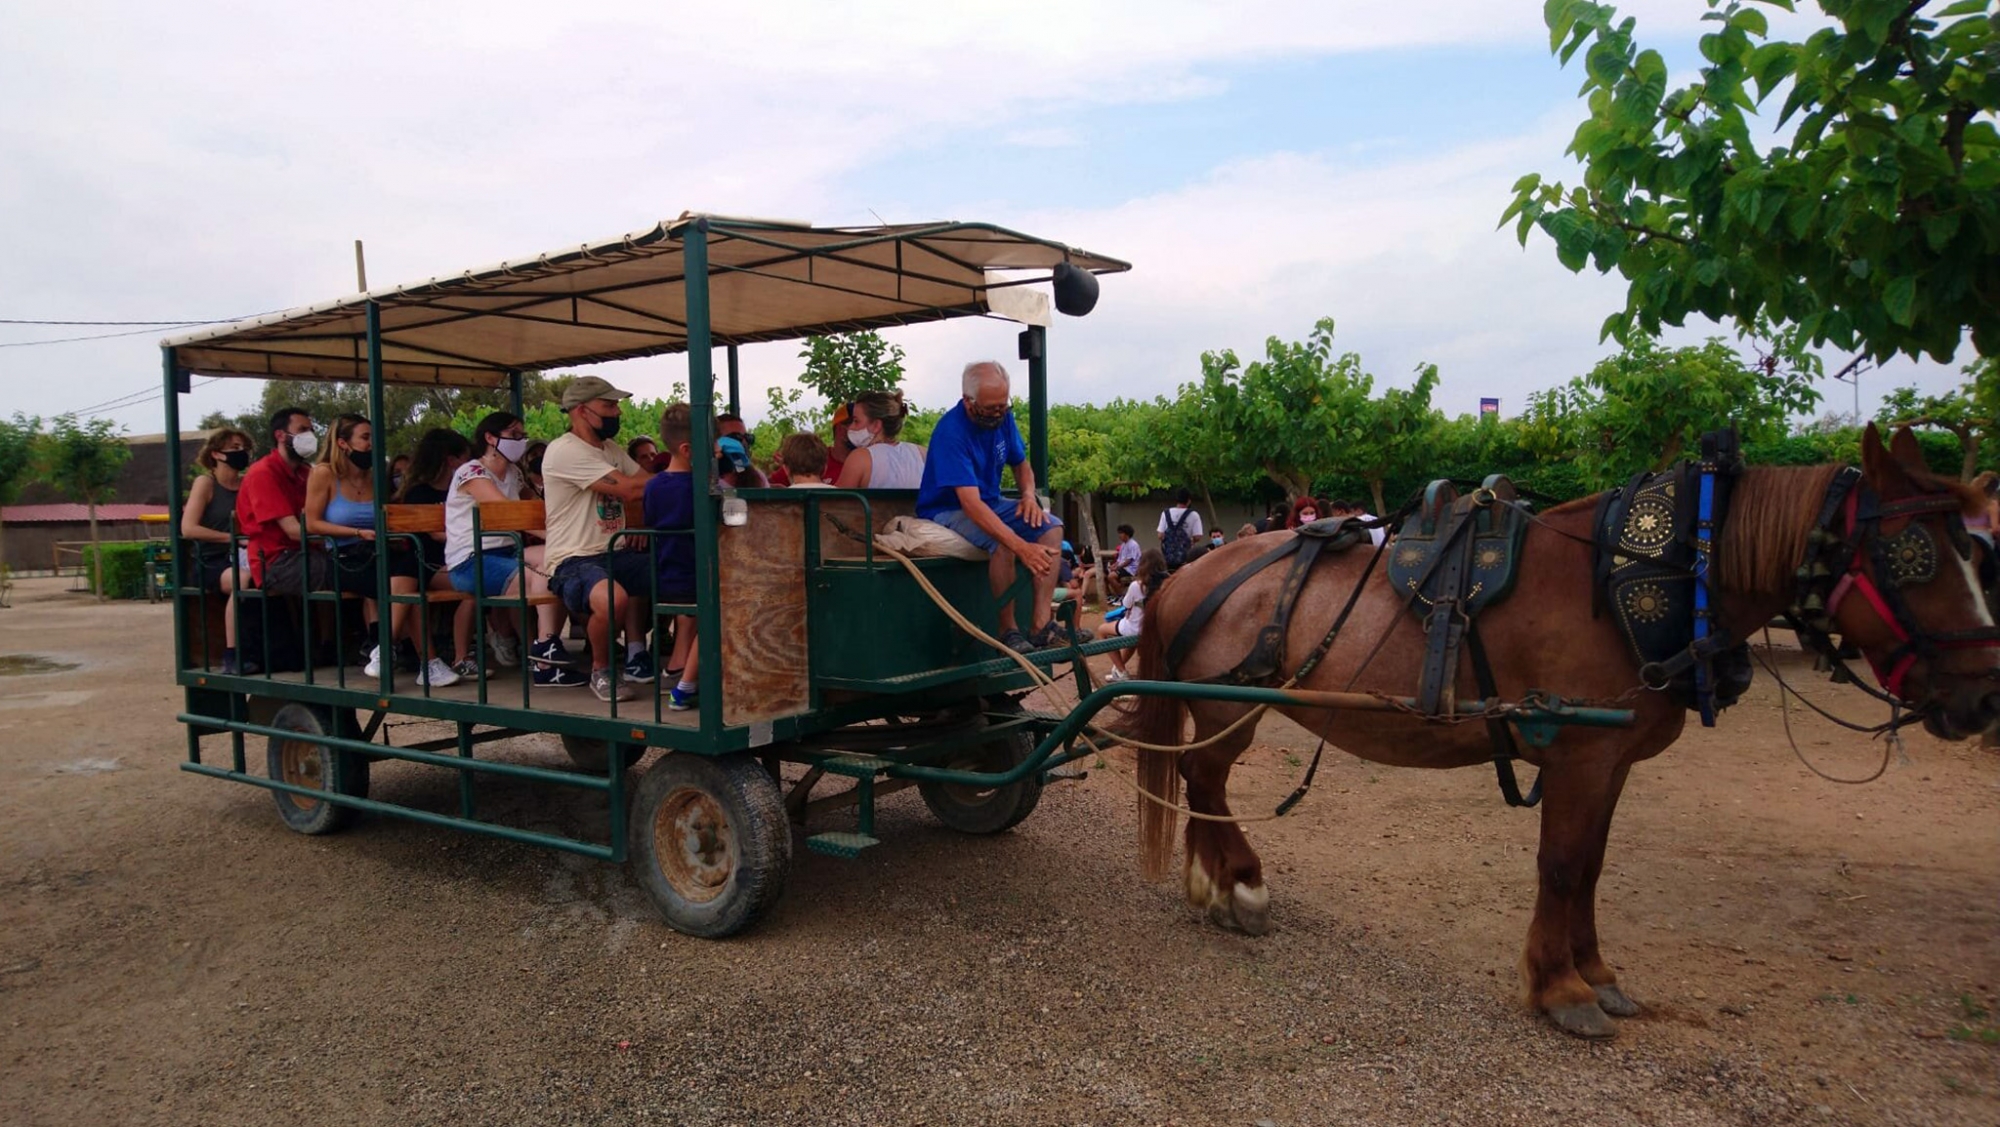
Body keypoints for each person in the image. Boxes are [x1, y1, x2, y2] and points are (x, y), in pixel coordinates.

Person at [915, 360, 1064, 652]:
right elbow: (970, 504)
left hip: (991, 502)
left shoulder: (1003, 419)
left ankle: (1041, 624)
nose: (998, 413)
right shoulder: (951, 432)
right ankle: (1007, 629)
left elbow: (1022, 465)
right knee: (1003, 543)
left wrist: (1029, 496)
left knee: (1052, 527)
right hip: (947, 509)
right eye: (990, 408)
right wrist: (1021, 546)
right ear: (968, 402)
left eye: (1003, 406)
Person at [301, 414, 455, 686]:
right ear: (343, 443)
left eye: (373, 437)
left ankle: (387, 649)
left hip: (380, 550)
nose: (372, 444)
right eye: (365, 438)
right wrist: (356, 532)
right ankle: (427, 663)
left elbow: (387, 515)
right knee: (406, 585)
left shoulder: (376, 474)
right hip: (344, 556)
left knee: (408, 574)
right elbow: (312, 522)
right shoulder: (323, 473)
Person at [540, 376, 657, 702]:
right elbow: (633, 489)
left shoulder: (611, 449)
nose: (617, 412)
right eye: (609, 405)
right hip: (573, 558)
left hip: (614, 551)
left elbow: (645, 482)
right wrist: (682, 471)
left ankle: (684, 666)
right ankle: (601, 670)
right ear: (581, 411)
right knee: (612, 600)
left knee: (689, 573)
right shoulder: (564, 451)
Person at [447, 412, 578, 686]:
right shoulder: (471, 472)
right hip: (472, 560)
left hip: (508, 553)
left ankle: (544, 648)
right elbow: (509, 514)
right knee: (545, 574)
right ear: (490, 438)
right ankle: (545, 659)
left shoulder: (514, 473)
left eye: (522, 435)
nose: (521, 440)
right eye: (514, 435)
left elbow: (536, 507)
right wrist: (556, 534)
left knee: (562, 560)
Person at [395, 428, 479, 673]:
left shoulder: (464, 489)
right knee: (475, 585)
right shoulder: (418, 493)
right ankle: (460, 658)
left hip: (461, 555)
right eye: (466, 458)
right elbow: (434, 533)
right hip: (430, 563)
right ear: (451, 460)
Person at [644, 403, 705, 712]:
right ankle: (684, 688)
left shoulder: (653, 486)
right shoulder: (701, 487)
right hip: (694, 577)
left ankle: (681, 669)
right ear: (688, 449)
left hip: (668, 575)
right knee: (725, 614)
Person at [181, 427, 254, 673]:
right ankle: (232, 654)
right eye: (234, 448)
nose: (241, 452)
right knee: (242, 579)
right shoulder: (206, 483)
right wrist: (232, 539)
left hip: (246, 555)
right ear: (216, 454)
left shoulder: (248, 483)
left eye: (243, 447)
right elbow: (189, 529)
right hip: (212, 561)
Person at [1096, 546, 1167, 682]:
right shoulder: (1166, 584)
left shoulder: (1137, 585)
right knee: (1130, 641)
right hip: (1156, 629)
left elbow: (1126, 605)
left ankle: (1121, 672)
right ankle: (1118, 670)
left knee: (1102, 631)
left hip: (1135, 628)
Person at [833, 389, 926, 489]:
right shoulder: (922, 453)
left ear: (876, 425)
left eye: (856, 421)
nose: (850, 427)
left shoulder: (860, 458)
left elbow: (835, 502)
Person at [716, 414, 770, 489]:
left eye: (747, 437)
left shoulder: (757, 477)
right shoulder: (703, 477)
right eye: (735, 437)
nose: (744, 443)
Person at [1157, 488, 1202, 569]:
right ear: (1189, 501)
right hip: (1185, 557)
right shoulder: (1194, 515)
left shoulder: (1165, 513)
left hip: (1168, 557)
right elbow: (1198, 536)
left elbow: (1160, 535)